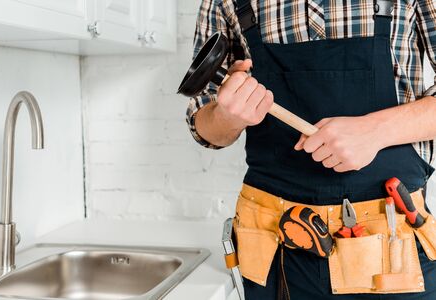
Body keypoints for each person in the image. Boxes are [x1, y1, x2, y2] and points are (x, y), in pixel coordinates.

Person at [186, 0, 436, 299]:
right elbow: (204, 125)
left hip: (391, 252)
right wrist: (228, 116)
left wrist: (377, 131)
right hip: (272, 251)